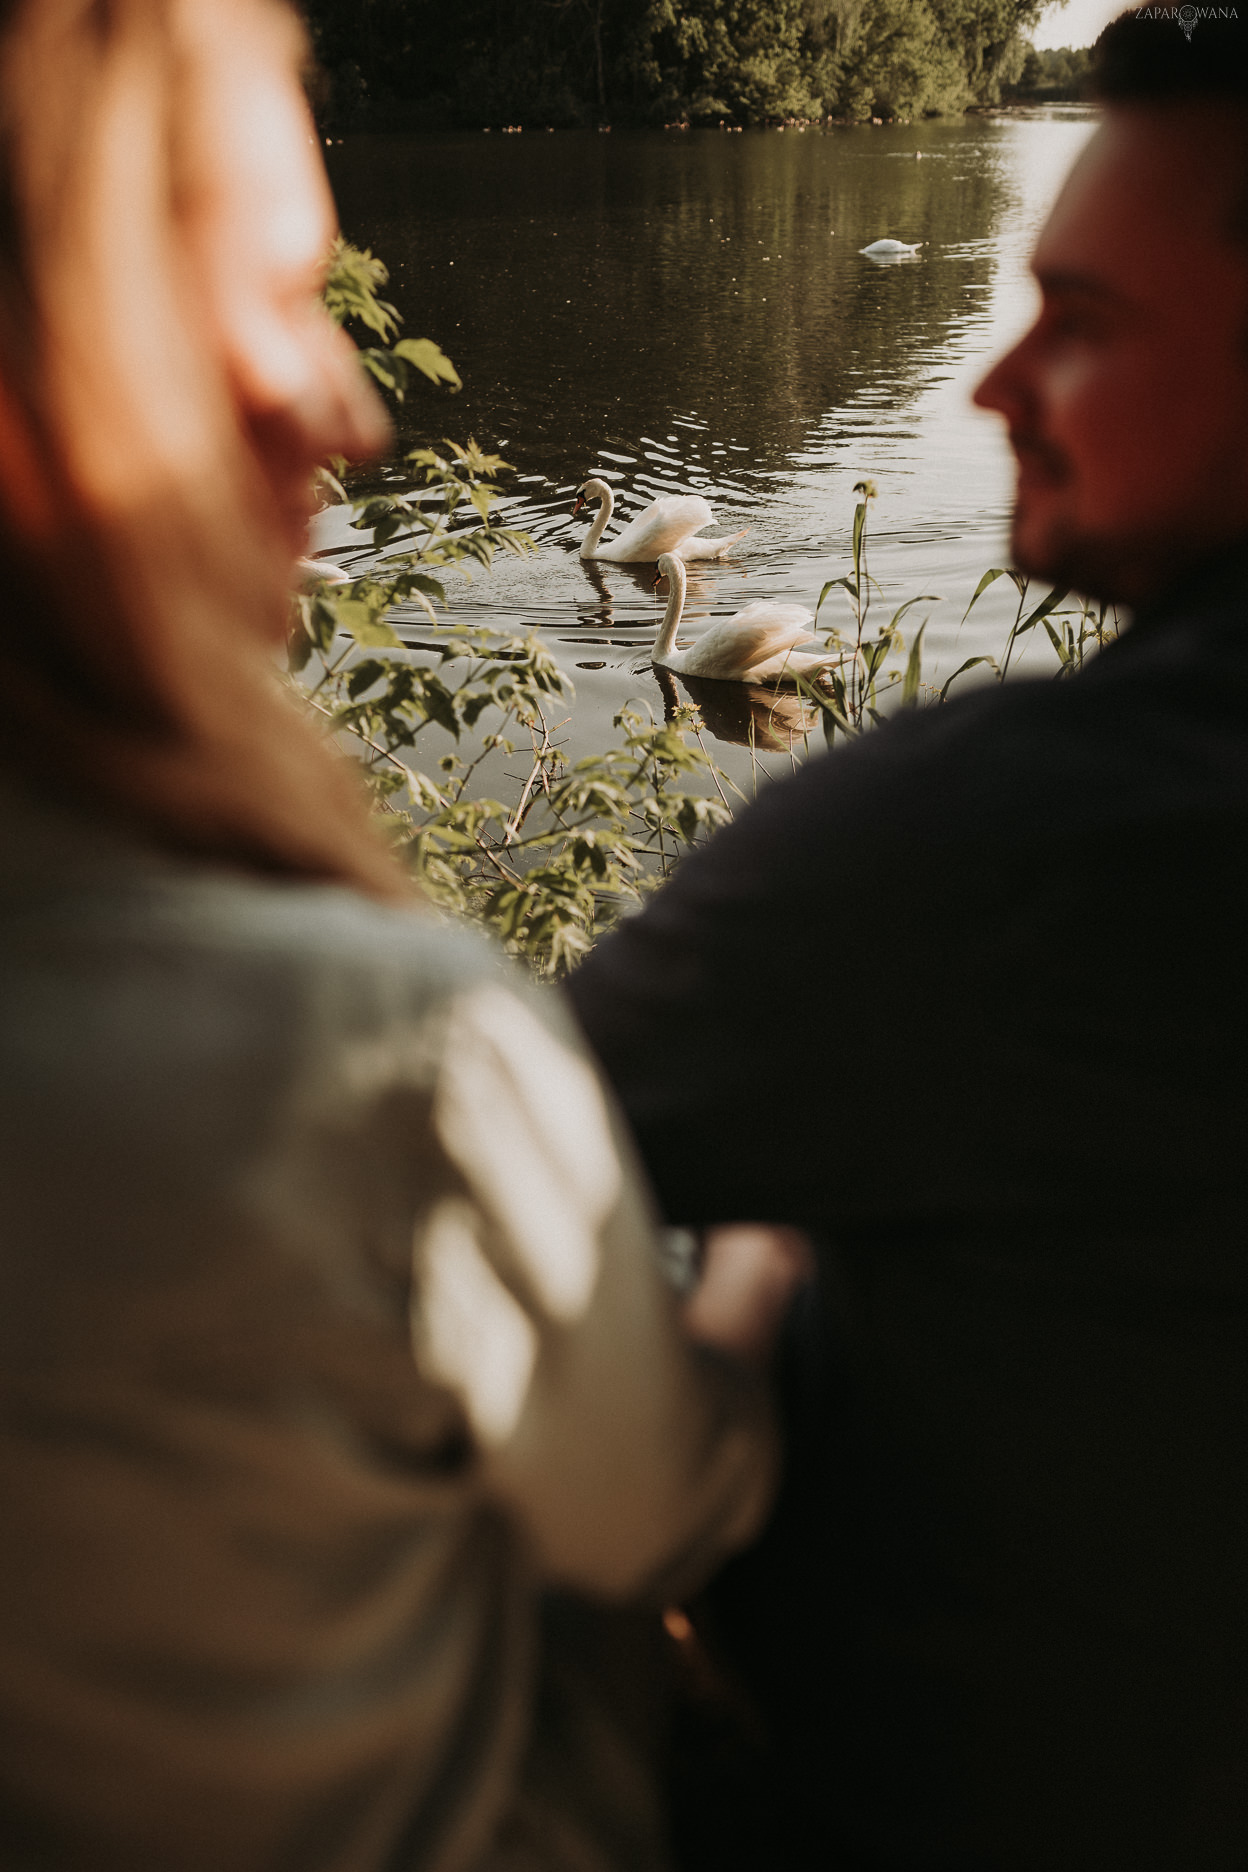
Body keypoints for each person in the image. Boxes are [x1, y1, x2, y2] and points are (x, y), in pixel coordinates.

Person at [0, 2, 798, 1867]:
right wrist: (758, 1268)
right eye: (274, 299)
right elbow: (658, 1507)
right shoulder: (375, 1052)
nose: (351, 412)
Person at [569, 14, 1248, 1870]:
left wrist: (770, 1264)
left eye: (1086, 321)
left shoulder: (1013, 838)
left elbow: (457, 1155)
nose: (991, 385)